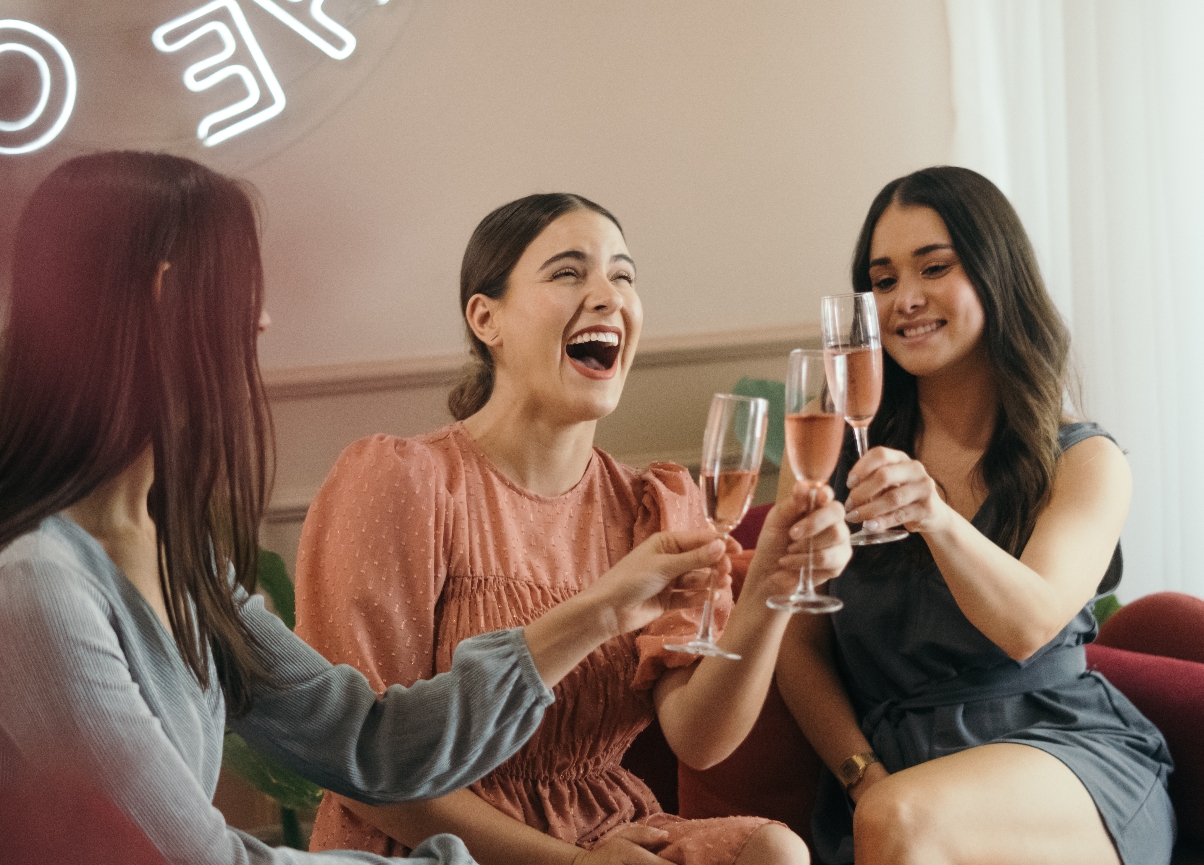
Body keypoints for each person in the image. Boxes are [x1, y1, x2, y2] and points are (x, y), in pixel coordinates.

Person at [0, 152, 730, 865]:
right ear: (165, 295)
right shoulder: (38, 584)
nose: (260, 323)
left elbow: (372, 745)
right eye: (240, 288)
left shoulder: (180, 560)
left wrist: (603, 608)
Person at [294, 193, 852, 865]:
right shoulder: (402, 481)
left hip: (606, 833)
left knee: (774, 852)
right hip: (436, 844)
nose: (607, 295)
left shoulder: (654, 502)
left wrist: (766, 589)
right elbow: (363, 765)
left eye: (623, 275)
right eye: (567, 272)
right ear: (486, 317)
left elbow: (700, 737)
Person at [775, 166, 1175, 865]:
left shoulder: (1085, 461)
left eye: (934, 267)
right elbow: (798, 643)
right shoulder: (834, 449)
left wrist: (933, 513)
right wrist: (861, 774)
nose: (906, 298)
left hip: (1062, 754)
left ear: (996, 273)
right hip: (895, 774)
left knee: (901, 819)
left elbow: (1028, 623)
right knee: (896, 816)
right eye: (884, 279)